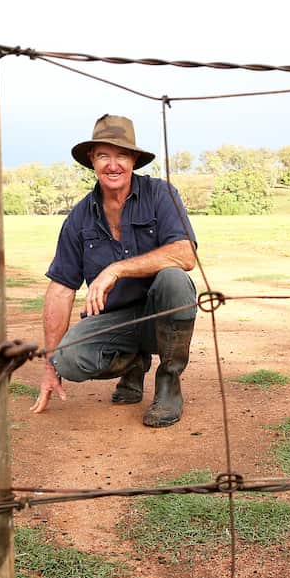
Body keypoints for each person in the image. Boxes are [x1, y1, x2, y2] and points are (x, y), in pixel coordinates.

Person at [29, 113, 199, 427]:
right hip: (114, 321)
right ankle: (134, 363)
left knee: (175, 280)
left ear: (134, 159)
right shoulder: (79, 218)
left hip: (159, 315)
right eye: (104, 155)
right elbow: (61, 288)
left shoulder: (160, 194)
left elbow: (185, 254)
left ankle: (168, 384)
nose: (113, 164)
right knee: (67, 358)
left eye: (121, 155)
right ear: (92, 160)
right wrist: (49, 366)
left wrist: (116, 269)